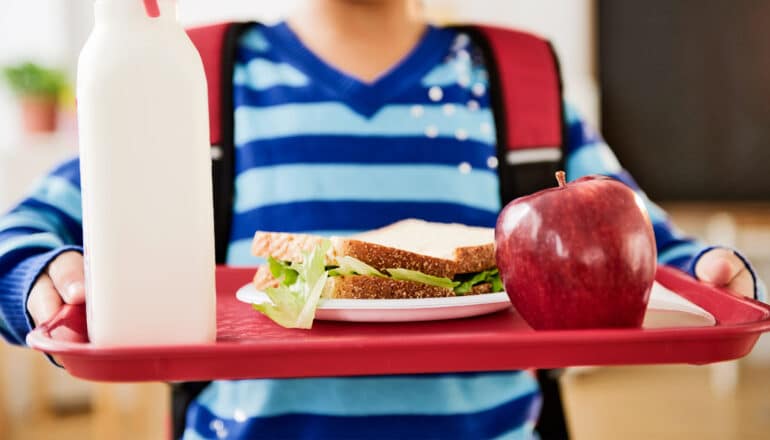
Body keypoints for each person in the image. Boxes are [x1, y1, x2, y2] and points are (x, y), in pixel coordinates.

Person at [0, 1, 765, 439]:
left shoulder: (519, 83)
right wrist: (45, 280)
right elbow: (25, 232)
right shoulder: (188, 79)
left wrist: (707, 273)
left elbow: (650, 247)